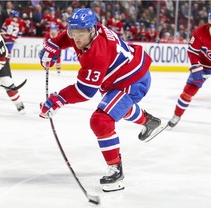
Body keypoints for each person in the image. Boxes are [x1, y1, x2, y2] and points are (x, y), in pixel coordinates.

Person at [39, 8, 161, 192]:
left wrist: (59, 99)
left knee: (101, 120)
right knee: (117, 107)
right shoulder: (87, 30)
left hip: (133, 80)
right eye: (74, 32)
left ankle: (116, 171)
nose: (76, 38)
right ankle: (149, 122)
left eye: (81, 34)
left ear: (93, 30)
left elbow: (85, 91)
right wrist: (54, 44)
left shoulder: (97, 54)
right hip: (123, 75)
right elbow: (67, 36)